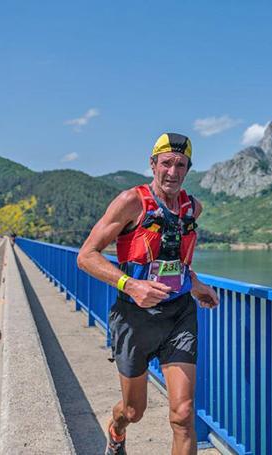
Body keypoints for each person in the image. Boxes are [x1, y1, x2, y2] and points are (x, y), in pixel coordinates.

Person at [77, 133, 219, 455]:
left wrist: (194, 284)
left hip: (179, 315)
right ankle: (116, 431)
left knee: (183, 415)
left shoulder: (192, 209)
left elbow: (176, 260)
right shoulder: (132, 202)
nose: (173, 171)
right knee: (133, 411)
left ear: (188, 169)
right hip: (134, 317)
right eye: (166, 163)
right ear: (153, 164)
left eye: (180, 165)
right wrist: (132, 285)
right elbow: (86, 256)